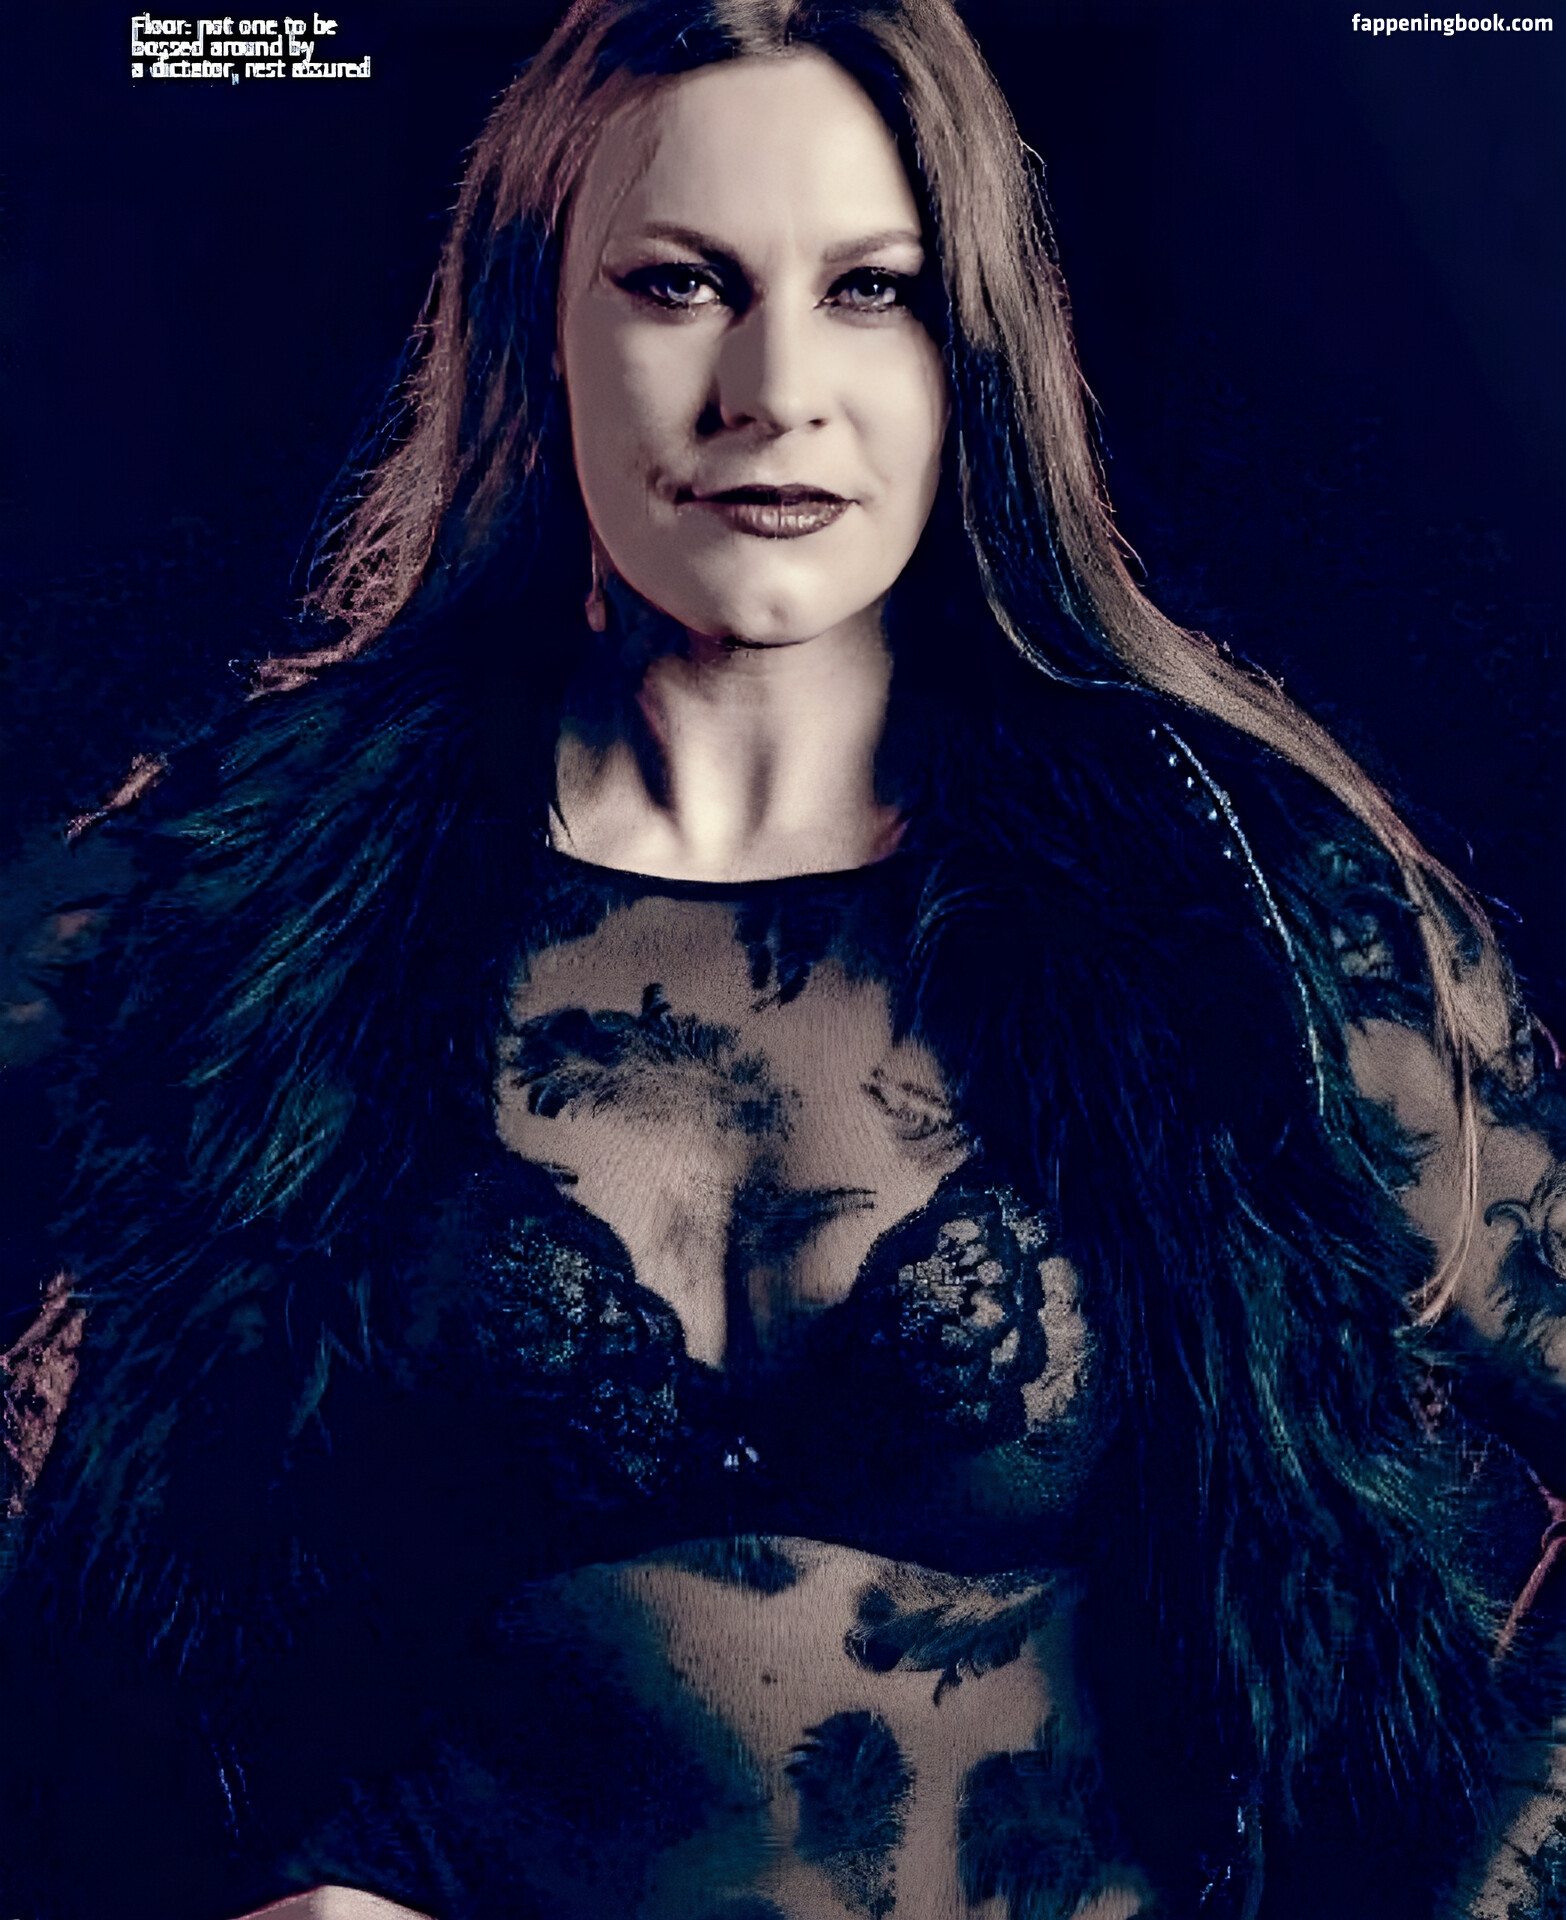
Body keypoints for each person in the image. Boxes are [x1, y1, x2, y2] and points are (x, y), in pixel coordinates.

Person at [2, 2, 1563, 1916]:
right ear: (537, 326)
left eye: (870, 290)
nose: (773, 389)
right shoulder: (236, 890)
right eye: (679, 284)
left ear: (969, 348)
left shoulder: (1244, 903)